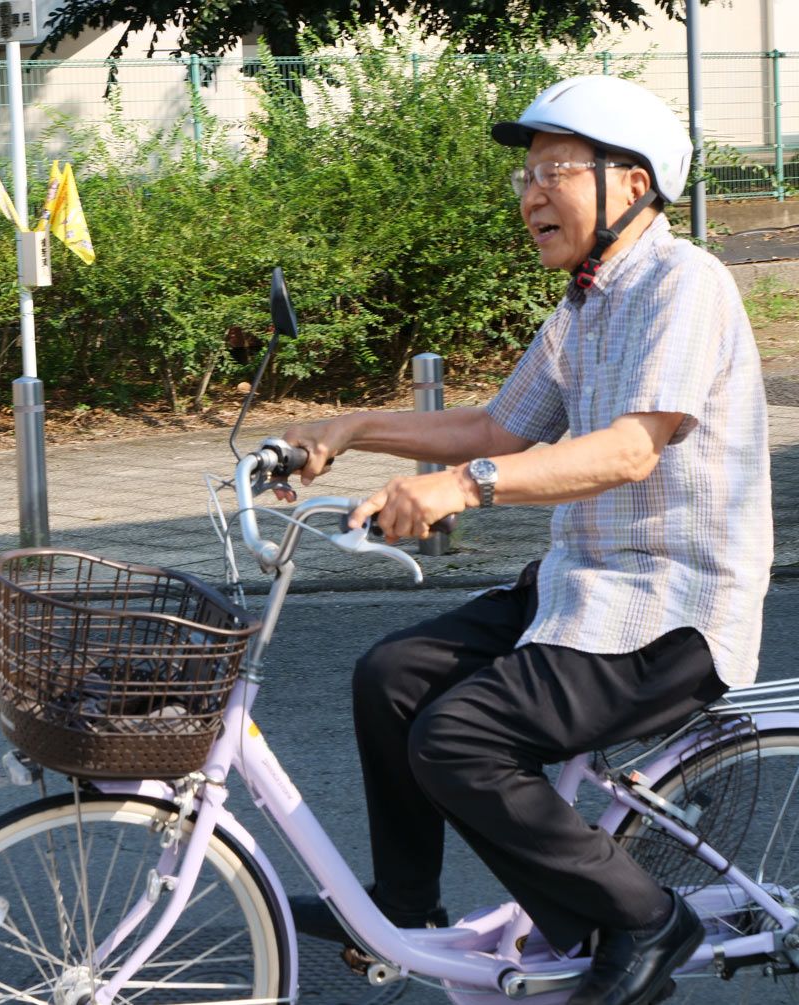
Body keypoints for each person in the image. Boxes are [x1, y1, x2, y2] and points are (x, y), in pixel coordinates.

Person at [278, 75, 773, 1005]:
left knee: (457, 738)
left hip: (671, 609)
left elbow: (631, 448)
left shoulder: (684, 284)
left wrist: (462, 487)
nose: (532, 195)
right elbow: (497, 427)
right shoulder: (584, 306)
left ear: (632, 184)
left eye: (556, 172)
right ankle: (404, 908)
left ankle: (644, 917)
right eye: (526, 177)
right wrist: (350, 427)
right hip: (581, 586)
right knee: (392, 675)